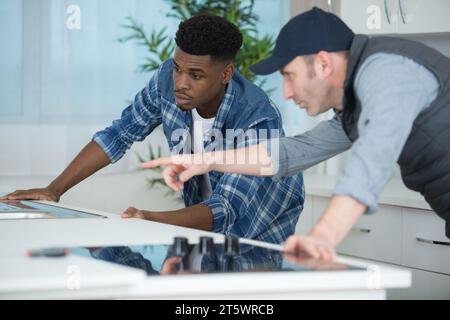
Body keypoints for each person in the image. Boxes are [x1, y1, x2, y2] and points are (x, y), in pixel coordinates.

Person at [142, 7, 450, 260]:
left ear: (323, 63)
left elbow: (372, 158)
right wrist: (207, 161)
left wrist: (323, 236)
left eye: (289, 76)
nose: (286, 93)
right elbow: (295, 151)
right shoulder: (358, 103)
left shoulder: (387, 72)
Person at [1, 15, 304, 244]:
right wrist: (53, 190)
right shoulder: (165, 82)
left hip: (261, 230)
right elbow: (119, 134)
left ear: (225, 74)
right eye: (177, 68)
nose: (180, 83)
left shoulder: (257, 117)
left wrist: (149, 220)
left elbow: (227, 208)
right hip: (207, 228)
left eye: (195, 75)